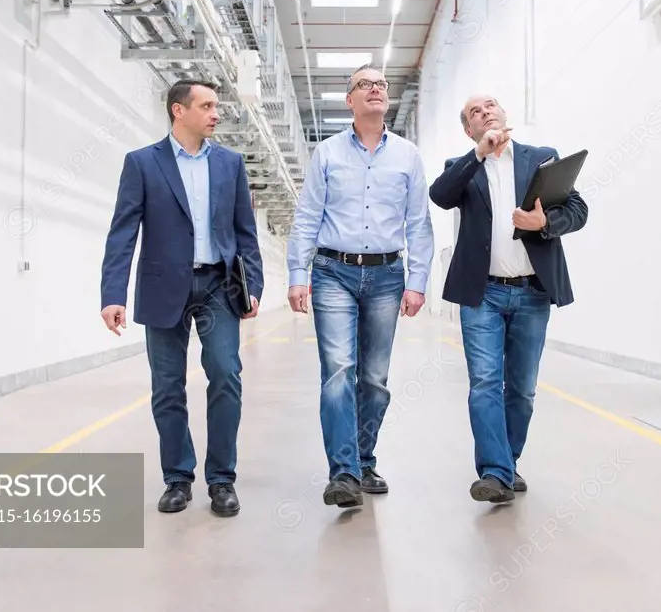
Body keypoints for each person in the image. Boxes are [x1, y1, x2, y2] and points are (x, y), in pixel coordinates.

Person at [99, 79, 263, 517]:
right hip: (162, 285)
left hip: (218, 286)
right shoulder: (142, 163)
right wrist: (113, 294)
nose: (216, 113)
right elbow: (122, 233)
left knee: (226, 375)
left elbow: (245, 232)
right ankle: (177, 477)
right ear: (179, 111)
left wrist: (255, 286)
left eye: (216, 105)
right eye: (207, 105)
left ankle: (222, 480)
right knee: (167, 386)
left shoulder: (229, 163)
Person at [286, 63, 435, 508]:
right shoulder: (327, 154)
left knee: (374, 378)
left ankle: (365, 460)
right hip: (333, 271)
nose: (375, 89)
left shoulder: (407, 155)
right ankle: (344, 472)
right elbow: (308, 215)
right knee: (337, 372)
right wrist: (298, 273)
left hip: (388, 276)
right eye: (364, 85)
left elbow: (419, 223)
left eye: (381, 84)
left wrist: (418, 281)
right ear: (349, 100)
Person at [429, 94, 588, 504]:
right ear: (470, 130)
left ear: (504, 114)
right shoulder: (462, 168)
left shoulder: (542, 158)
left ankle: (507, 462)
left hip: (532, 293)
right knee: (485, 382)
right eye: (475, 113)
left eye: (490, 106)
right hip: (481, 294)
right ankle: (496, 473)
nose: (485, 113)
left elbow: (579, 210)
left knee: (521, 389)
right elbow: (441, 195)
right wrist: (477, 155)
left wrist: (544, 222)